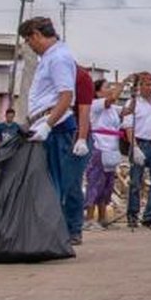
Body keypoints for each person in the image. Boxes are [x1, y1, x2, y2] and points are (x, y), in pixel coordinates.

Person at [18, 17, 85, 240]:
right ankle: (48, 234)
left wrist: (47, 125)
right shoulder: (49, 58)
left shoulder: (58, 58)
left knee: (53, 183)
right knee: (46, 182)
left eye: (29, 40)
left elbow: (66, 96)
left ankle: (53, 235)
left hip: (55, 127)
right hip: (45, 125)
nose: (30, 45)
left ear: (37, 34)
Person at [121, 71, 151, 228]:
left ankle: (149, 215)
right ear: (140, 86)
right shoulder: (132, 103)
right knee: (136, 181)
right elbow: (129, 127)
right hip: (140, 143)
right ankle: (132, 214)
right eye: (147, 85)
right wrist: (134, 147)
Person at [62, 64, 95, 245]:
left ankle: (74, 229)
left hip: (76, 135)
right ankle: (58, 227)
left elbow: (84, 110)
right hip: (56, 133)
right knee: (57, 184)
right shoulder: (49, 71)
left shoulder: (81, 77)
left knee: (71, 183)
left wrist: (81, 138)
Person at [86, 80, 124, 229]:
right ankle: (89, 218)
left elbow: (128, 111)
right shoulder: (96, 105)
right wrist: (122, 85)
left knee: (107, 185)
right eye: (107, 87)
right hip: (99, 147)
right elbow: (111, 99)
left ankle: (102, 218)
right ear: (98, 92)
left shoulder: (113, 109)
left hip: (111, 149)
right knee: (95, 182)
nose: (110, 89)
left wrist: (134, 95)